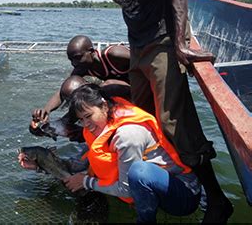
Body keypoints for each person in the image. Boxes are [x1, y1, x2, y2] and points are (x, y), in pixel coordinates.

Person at [59, 0, 232, 222]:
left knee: (172, 119)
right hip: (139, 45)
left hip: (163, 38)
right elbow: (134, 5)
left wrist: (180, 45)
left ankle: (216, 199)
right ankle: (156, 181)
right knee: (142, 117)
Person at [63, 84, 201, 223]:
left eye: (88, 116)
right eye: (81, 119)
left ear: (104, 106)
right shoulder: (105, 122)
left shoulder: (127, 136)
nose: (86, 124)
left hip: (184, 196)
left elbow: (126, 190)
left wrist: (86, 182)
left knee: (138, 172)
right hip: (159, 186)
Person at [32, 35, 131, 126]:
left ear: (91, 52)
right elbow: (63, 90)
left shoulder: (114, 54)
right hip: (124, 93)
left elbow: (145, 62)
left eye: (78, 58)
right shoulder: (82, 67)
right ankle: (64, 124)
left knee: (108, 86)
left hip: (141, 90)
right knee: (73, 86)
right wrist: (46, 110)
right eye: (71, 60)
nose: (74, 64)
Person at [30, 75, 131, 142]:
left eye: (88, 115)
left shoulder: (113, 89)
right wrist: (37, 127)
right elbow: (56, 128)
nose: (85, 122)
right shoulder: (78, 108)